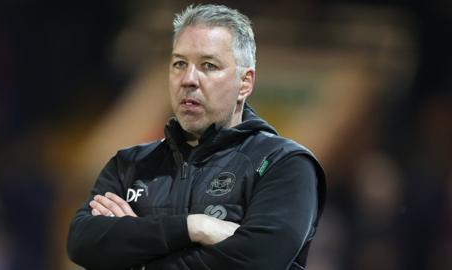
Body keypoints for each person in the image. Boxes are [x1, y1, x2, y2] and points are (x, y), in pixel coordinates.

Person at [67, 4, 326, 270]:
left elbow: (259, 260)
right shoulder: (129, 165)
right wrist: (195, 227)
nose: (188, 79)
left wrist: (136, 255)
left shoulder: (284, 164)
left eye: (208, 65)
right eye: (179, 63)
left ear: (245, 83)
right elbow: (82, 242)